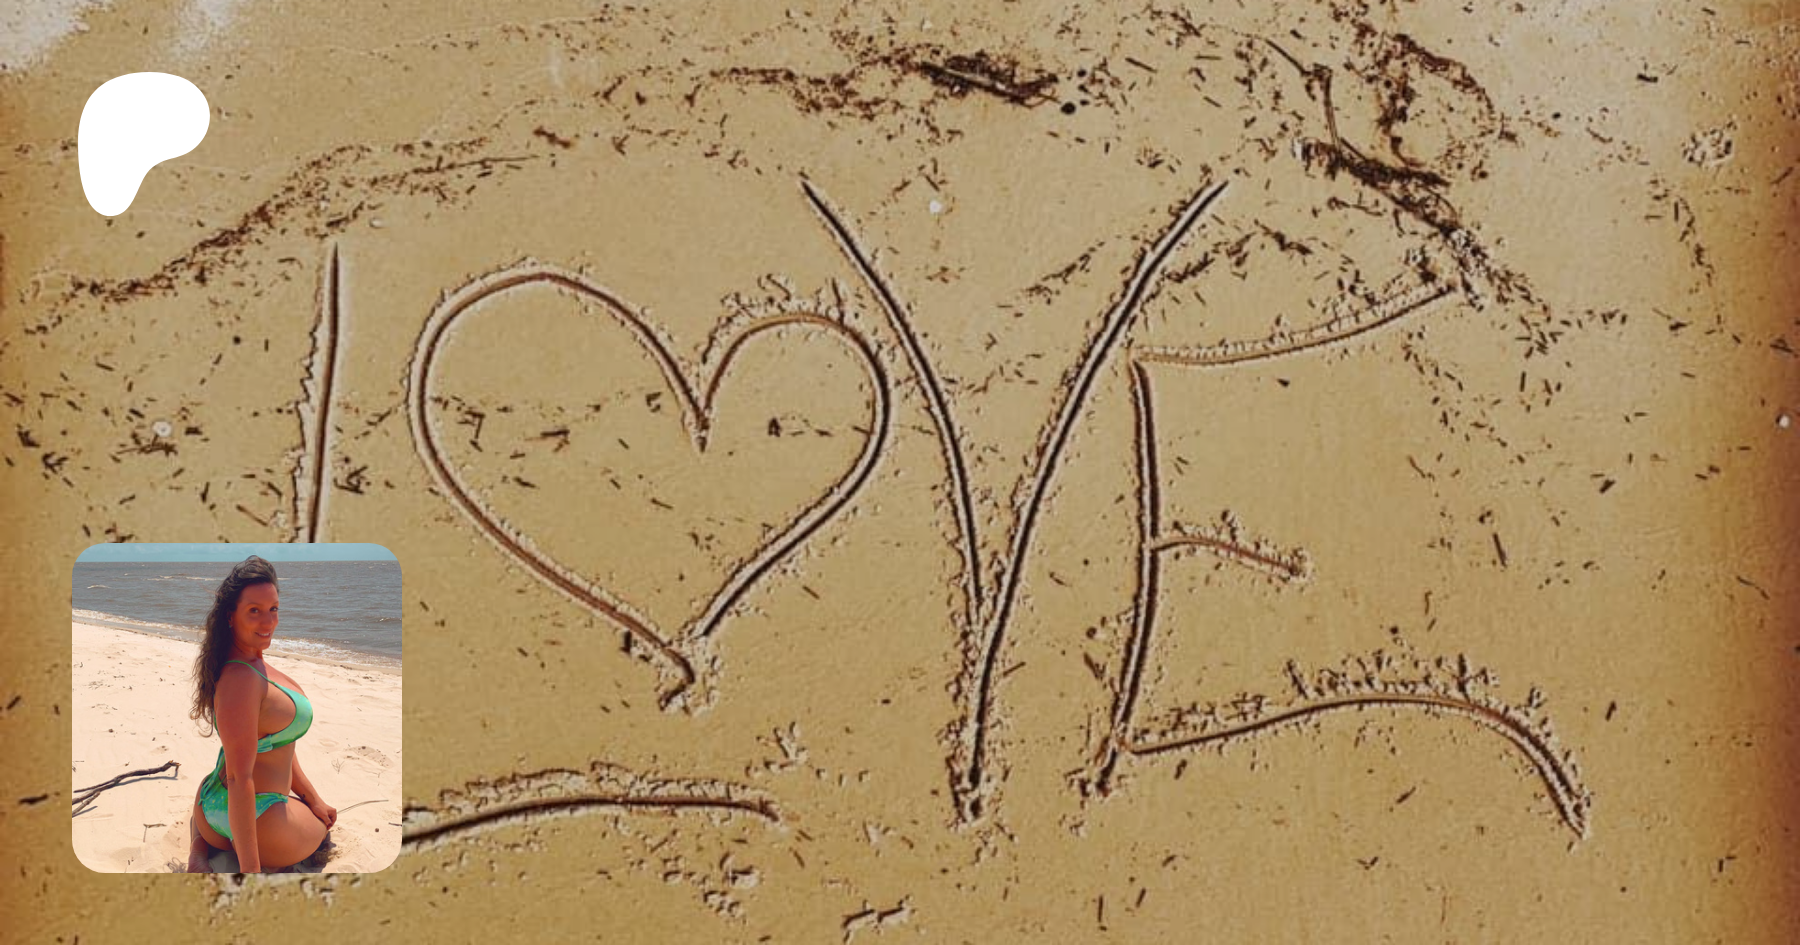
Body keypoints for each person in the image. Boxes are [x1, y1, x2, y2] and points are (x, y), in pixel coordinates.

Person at [184, 556, 336, 872]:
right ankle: (224, 851)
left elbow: (277, 744)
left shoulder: (246, 665)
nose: (268, 622)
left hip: (210, 803)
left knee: (313, 810)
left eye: (273, 609)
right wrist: (249, 872)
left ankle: (200, 846)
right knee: (324, 829)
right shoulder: (242, 680)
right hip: (260, 818)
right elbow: (239, 778)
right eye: (254, 611)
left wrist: (313, 798)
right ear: (231, 616)